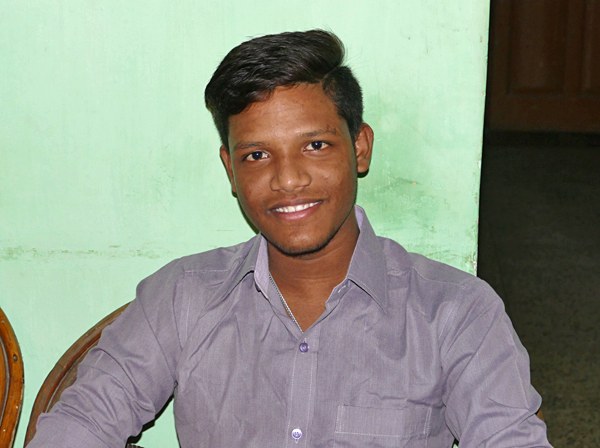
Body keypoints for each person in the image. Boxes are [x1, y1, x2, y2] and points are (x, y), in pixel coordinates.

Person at [27, 29, 551, 447]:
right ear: (231, 170)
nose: (288, 179)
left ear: (360, 148)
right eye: (257, 155)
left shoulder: (456, 313)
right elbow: (84, 420)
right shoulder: (181, 299)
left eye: (315, 145)